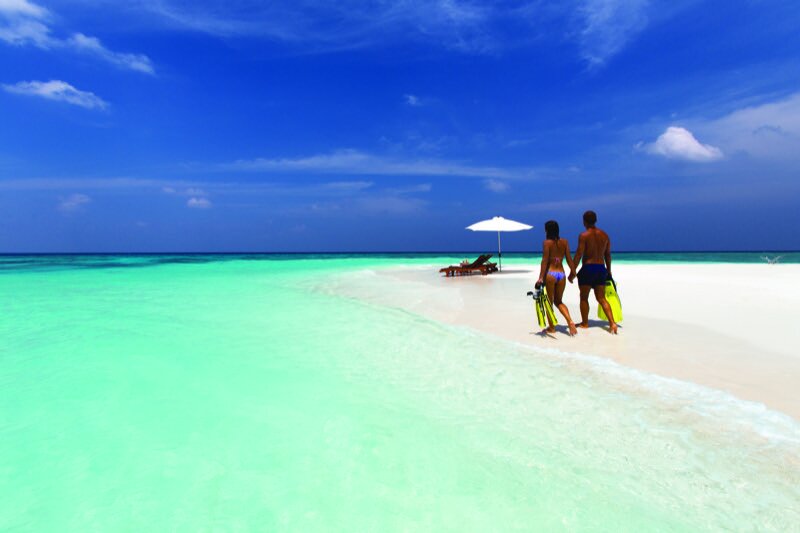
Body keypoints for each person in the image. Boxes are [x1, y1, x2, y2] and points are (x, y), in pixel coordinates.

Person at [569, 210, 618, 334]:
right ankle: (612, 323)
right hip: (601, 268)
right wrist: (609, 271)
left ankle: (585, 323)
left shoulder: (584, 235)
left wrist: (573, 272)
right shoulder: (605, 235)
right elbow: (608, 255)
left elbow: (579, 254)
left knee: (584, 297)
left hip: (588, 268)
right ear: (595, 220)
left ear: (584, 221)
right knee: (601, 298)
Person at [536, 220, 578, 335]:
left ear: (547, 230)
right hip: (561, 274)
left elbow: (544, 260)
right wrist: (573, 273)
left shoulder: (547, 243)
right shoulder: (564, 242)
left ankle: (552, 328)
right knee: (559, 301)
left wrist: (540, 277)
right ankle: (570, 321)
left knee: (549, 303)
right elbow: (569, 259)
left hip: (550, 274)